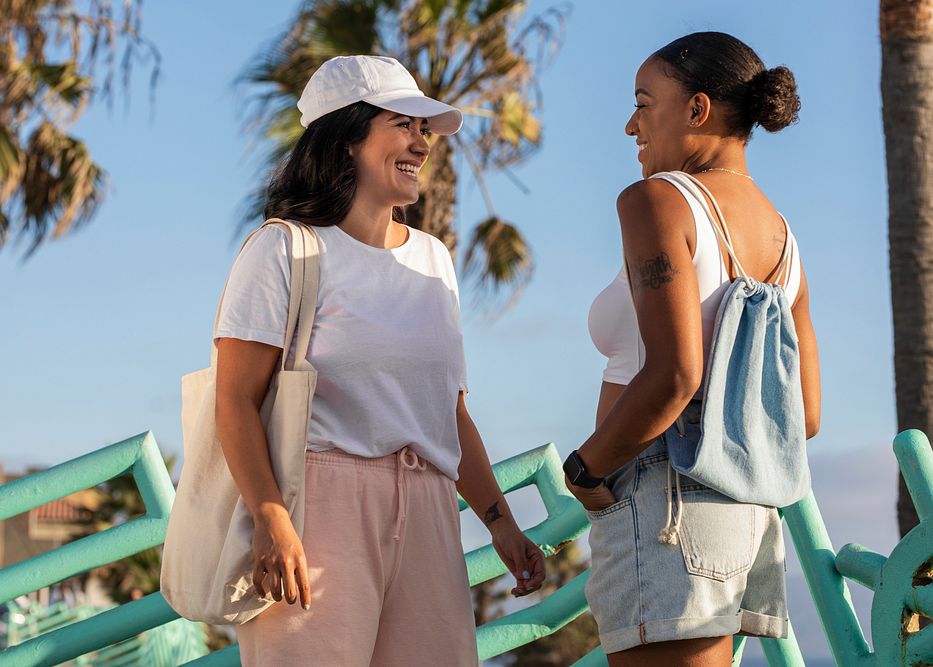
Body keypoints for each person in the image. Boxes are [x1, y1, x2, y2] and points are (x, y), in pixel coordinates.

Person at [214, 55, 545, 666]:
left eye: (425, 131)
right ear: (346, 140)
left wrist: (500, 523)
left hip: (429, 514)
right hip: (318, 510)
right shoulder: (283, 249)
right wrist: (271, 516)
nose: (422, 144)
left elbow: (450, 413)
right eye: (404, 125)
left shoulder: (433, 260)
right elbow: (233, 398)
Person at [563, 32, 821, 666]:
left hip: (662, 495)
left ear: (697, 109)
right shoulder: (781, 237)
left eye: (644, 103)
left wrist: (586, 471)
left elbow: (676, 373)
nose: (631, 125)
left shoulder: (657, 200)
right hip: (741, 506)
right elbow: (806, 414)